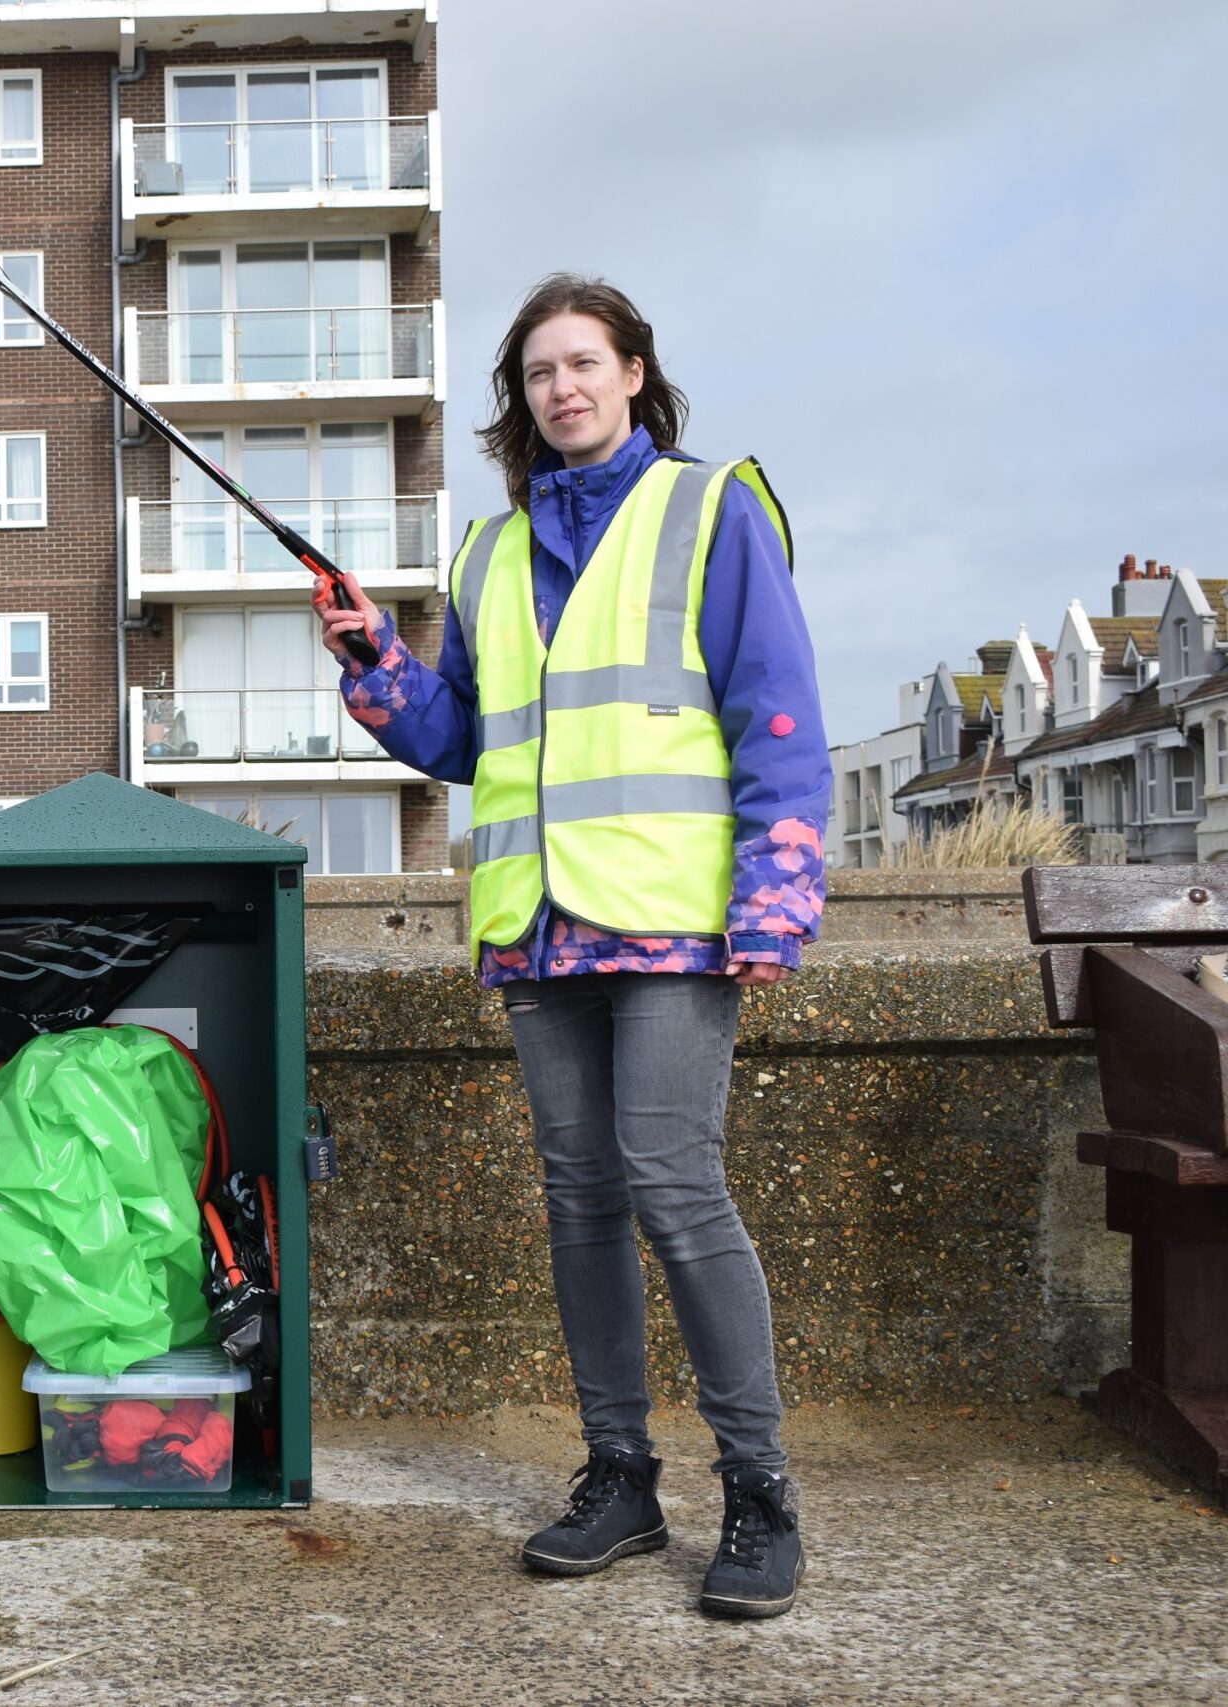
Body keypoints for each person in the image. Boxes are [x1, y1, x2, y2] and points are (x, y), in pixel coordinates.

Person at [317, 274, 827, 1620]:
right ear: (520, 400)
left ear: (636, 372)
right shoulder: (486, 556)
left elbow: (777, 711)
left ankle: (760, 1490)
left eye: (584, 362)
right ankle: (621, 1479)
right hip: (539, 927)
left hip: (669, 916)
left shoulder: (713, 512)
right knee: (581, 1202)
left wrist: (776, 900)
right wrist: (377, 663)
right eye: (539, 371)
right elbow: (462, 740)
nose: (563, 388)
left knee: (673, 1182)